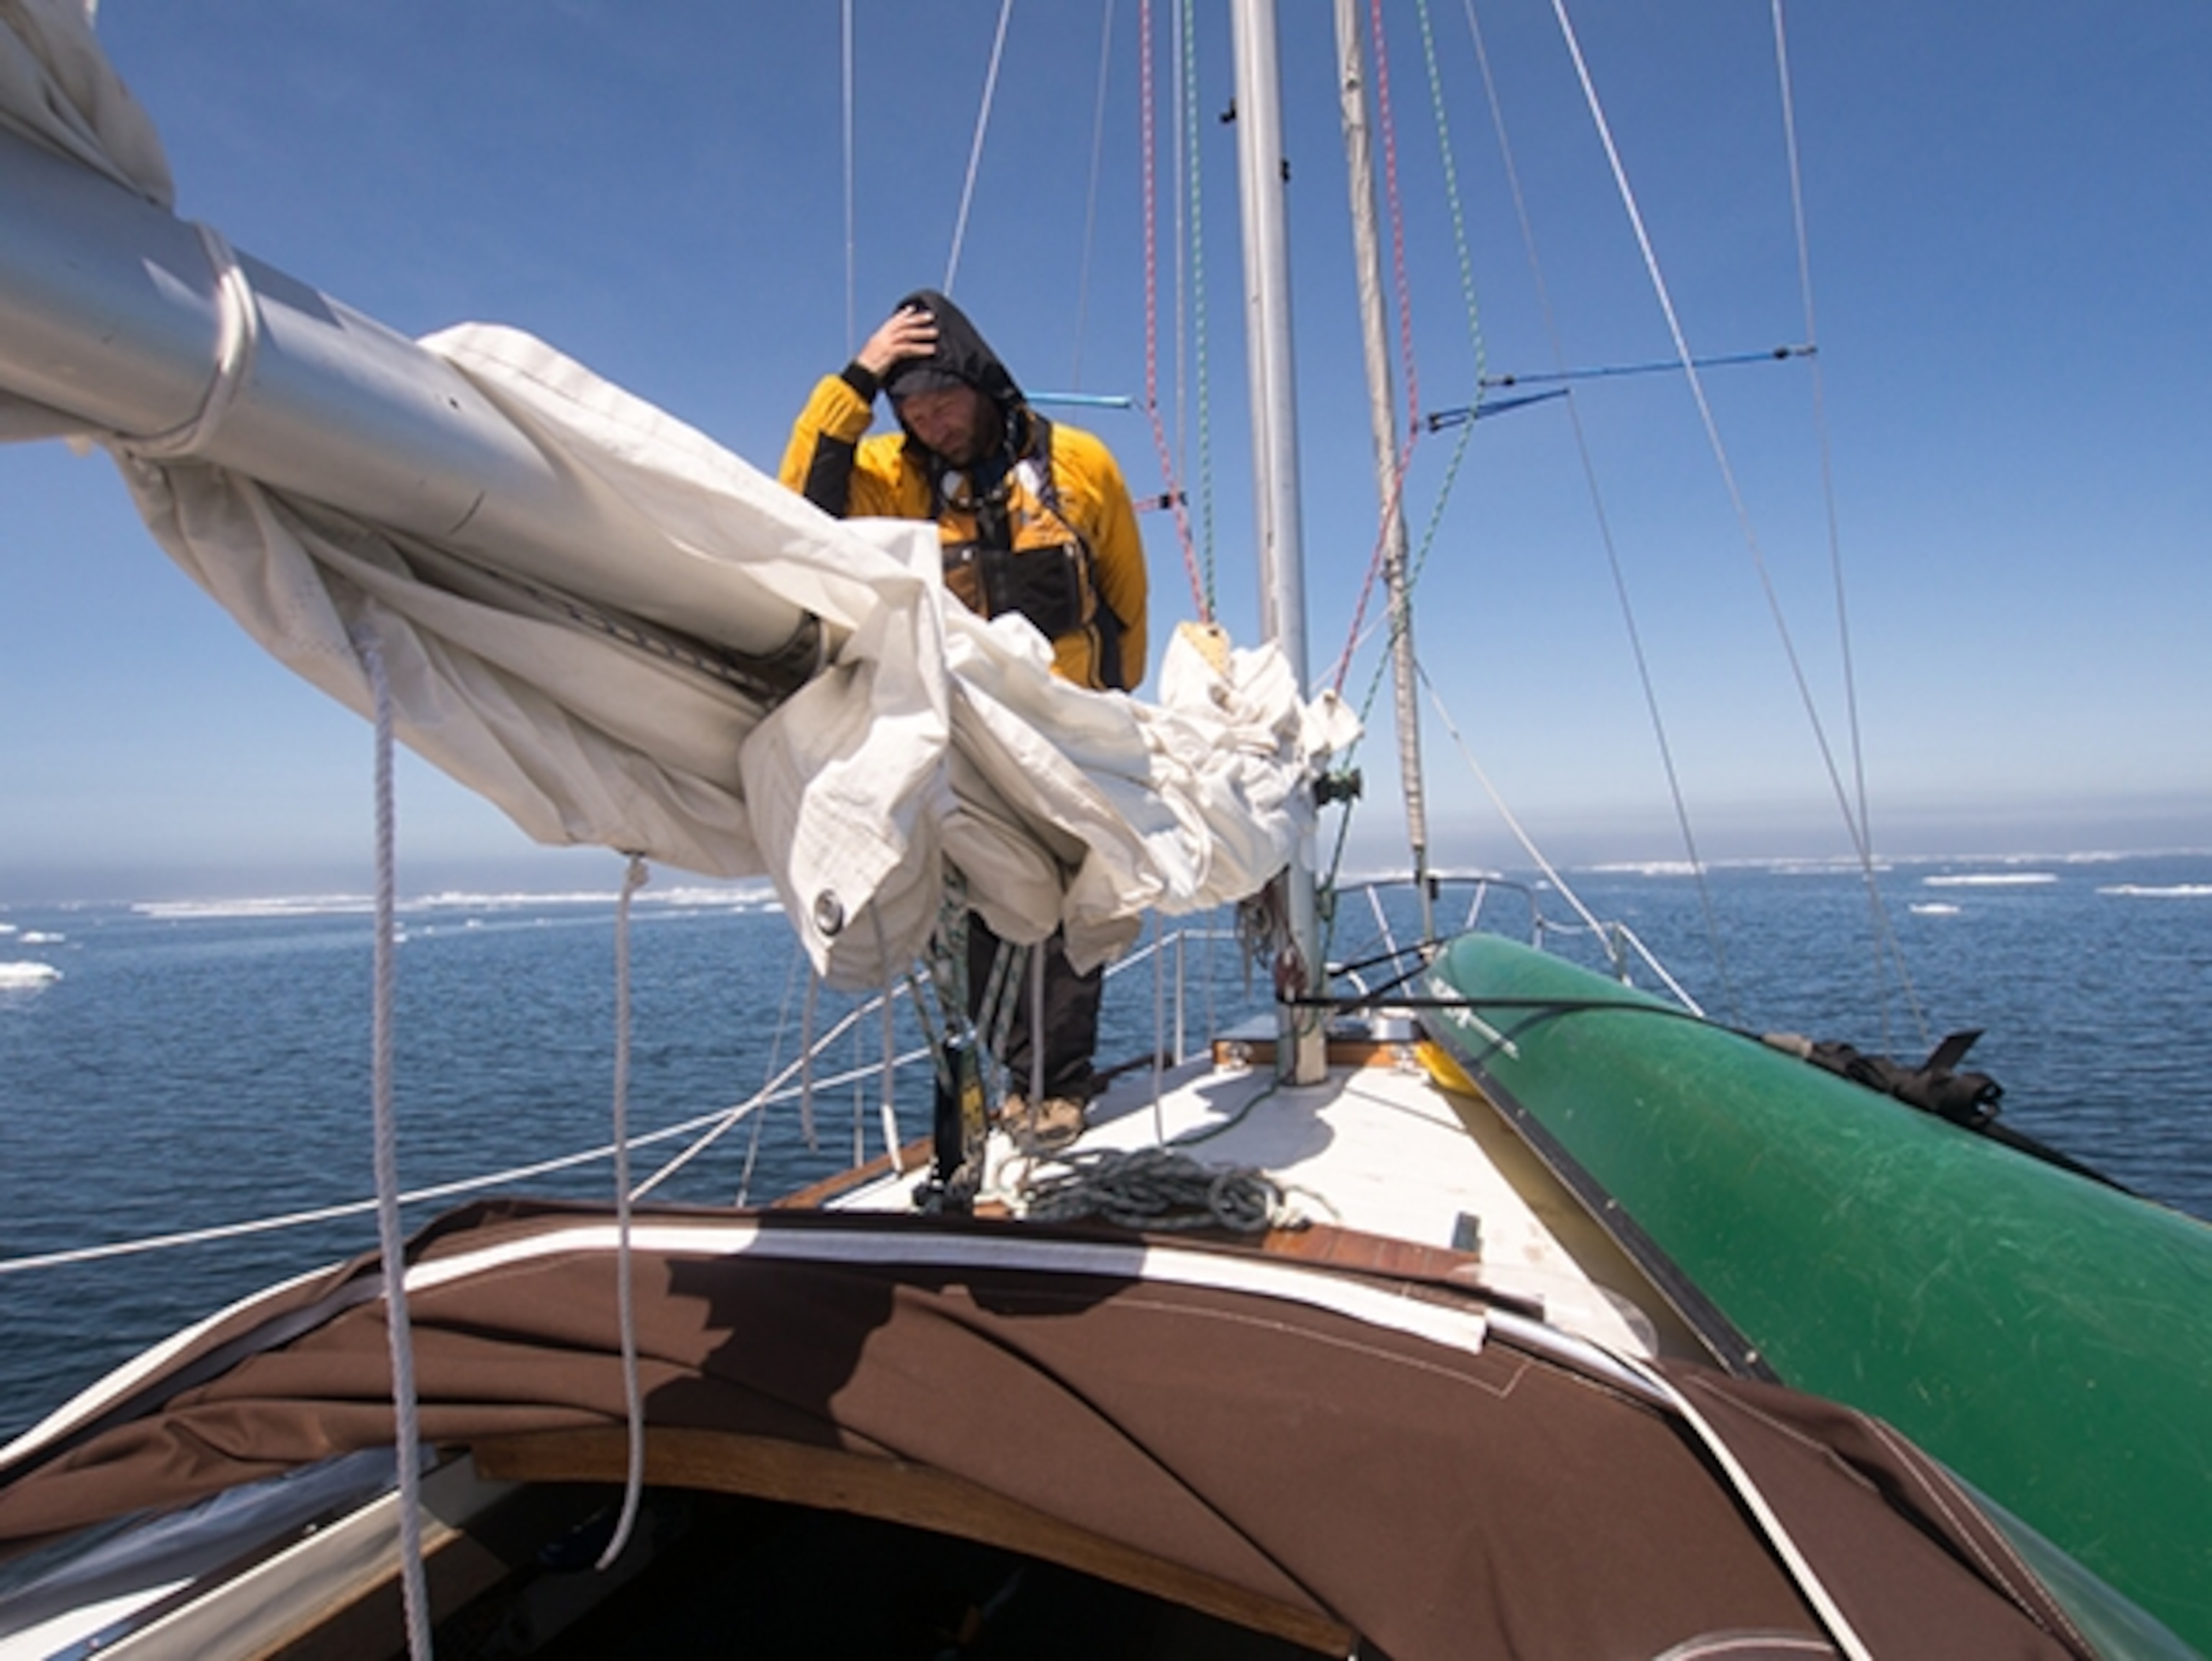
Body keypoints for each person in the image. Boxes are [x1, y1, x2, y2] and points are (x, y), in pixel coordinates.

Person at [780, 289, 1148, 1153]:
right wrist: (855, 381)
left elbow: (1124, 598)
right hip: (963, 737)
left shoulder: (1081, 465)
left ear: (984, 385)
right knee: (987, 907)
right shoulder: (887, 479)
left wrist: (1113, 713)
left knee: (1066, 907)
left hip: (1066, 732)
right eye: (910, 405)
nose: (931, 420)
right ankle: (1012, 1077)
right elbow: (798, 510)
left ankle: (1058, 1086)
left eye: (943, 398)